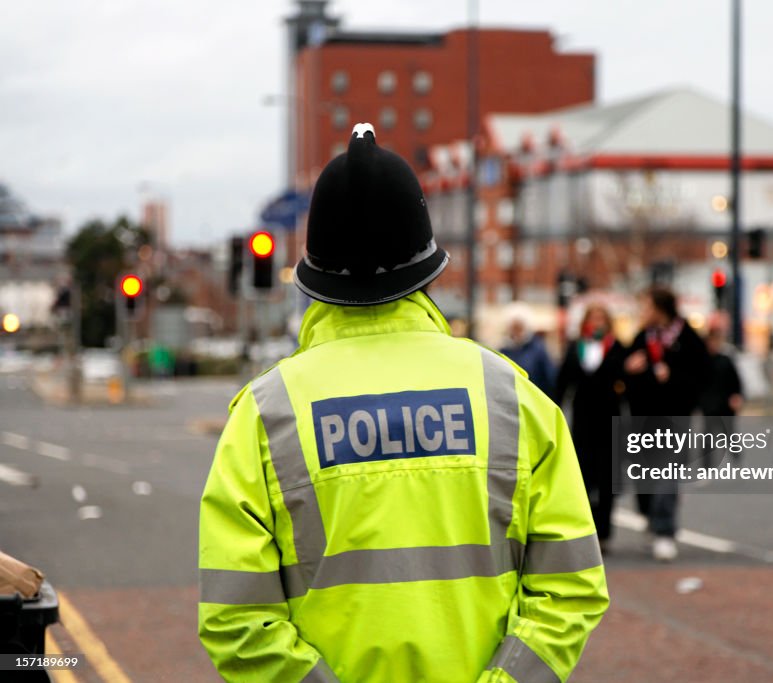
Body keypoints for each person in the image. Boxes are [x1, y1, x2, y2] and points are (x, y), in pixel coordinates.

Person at [198, 124, 608, 683]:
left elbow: (237, 619)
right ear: (429, 266)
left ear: (313, 275)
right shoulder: (511, 398)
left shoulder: (267, 414)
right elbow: (572, 586)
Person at [623, 287, 710, 561]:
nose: (643, 312)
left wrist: (673, 377)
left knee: (667, 473)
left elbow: (702, 377)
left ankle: (664, 530)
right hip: (643, 417)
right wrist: (629, 370)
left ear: (661, 309)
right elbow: (623, 380)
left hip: (675, 416)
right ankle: (650, 518)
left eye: (647, 306)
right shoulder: (641, 338)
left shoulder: (687, 338)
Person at [555, 303, 626, 551]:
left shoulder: (617, 347)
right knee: (583, 477)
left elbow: (625, 380)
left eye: (601, 318)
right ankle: (587, 532)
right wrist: (554, 411)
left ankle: (604, 532)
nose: (597, 322)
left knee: (607, 479)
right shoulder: (576, 347)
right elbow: (563, 382)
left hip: (609, 419)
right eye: (593, 317)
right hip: (583, 419)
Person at [698, 326, 744, 470]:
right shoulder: (702, 361)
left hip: (725, 404)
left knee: (729, 433)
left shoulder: (725, 360)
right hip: (709, 404)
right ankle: (706, 467)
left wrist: (736, 396)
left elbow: (735, 380)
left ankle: (737, 458)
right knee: (708, 436)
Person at [500, 305, 557, 398]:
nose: (516, 332)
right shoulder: (504, 350)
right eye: (514, 328)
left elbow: (549, 378)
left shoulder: (538, 349)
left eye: (519, 328)